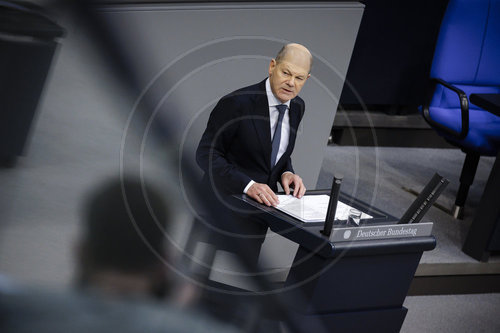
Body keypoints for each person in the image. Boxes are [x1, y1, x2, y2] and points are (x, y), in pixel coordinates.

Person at [195, 43, 312, 266]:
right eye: (286, 73)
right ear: (272, 66)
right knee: (204, 284)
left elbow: (274, 152)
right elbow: (206, 154)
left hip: (260, 214)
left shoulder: (297, 107)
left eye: (299, 78)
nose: (291, 83)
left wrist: (286, 172)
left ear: (307, 79)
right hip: (223, 208)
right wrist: (249, 185)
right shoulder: (236, 103)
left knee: (242, 288)